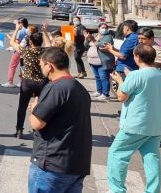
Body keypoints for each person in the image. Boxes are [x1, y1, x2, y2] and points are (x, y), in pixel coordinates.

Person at [28, 47, 92, 193]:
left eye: (42, 65)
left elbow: (37, 123)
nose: (41, 69)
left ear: (49, 66)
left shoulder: (56, 88)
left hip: (52, 164)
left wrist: (34, 108)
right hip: (76, 164)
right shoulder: (79, 89)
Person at [107, 44, 161, 193]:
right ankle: (153, 190)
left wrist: (121, 81)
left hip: (135, 124)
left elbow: (122, 96)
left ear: (137, 57)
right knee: (152, 159)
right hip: (155, 125)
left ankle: (117, 190)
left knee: (117, 154)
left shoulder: (136, 75)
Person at [8, 25, 46, 139]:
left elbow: (11, 42)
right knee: (39, 106)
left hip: (27, 82)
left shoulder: (25, 51)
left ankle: (19, 129)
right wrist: (45, 32)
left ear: (30, 41)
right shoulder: (45, 51)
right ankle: (37, 129)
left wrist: (16, 29)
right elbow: (49, 44)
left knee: (22, 106)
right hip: (41, 82)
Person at [3, 18, 28, 88]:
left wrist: (11, 46)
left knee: (12, 66)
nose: (15, 25)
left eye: (17, 23)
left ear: (20, 23)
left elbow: (16, 43)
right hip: (24, 50)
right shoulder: (26, 30)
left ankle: (10, 81)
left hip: (18, 51)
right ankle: (22, 81)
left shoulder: (20, 31)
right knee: (22, 66)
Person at [95, 23, 116, 98]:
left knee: (104, 77)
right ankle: (99, 91)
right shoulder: (96, 35)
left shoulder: (108, 36)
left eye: (105, 27)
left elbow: (104, 44)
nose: (103, 29)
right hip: (94, 61)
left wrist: (96, 42)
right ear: (98, 28)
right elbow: (86, 44)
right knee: (98, 77)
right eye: (102, 27)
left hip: (105, 61)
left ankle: (105, 93)